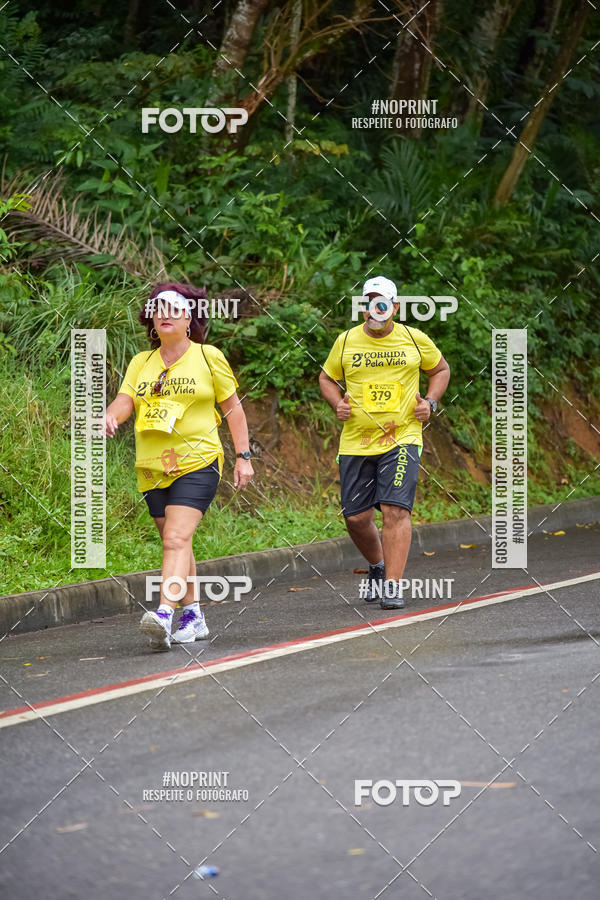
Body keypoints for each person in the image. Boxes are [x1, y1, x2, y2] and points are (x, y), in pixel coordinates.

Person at [103, 282, 254, 651]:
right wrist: (110, 416)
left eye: (174, 309)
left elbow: (232, 408)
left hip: (198, 461)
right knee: (177, 543)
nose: (165, 315)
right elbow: (126, 400)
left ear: (189, 319)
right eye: (159, 310)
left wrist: (244, 457)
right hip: (152, 467)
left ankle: (164, 613)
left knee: (175, 538)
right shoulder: (142, 362)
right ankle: (194, 616)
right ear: (152, 321)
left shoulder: (208, 356)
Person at [319, 275, 450, 610]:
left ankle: (392, 585)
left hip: (402, 437)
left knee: (394, 510)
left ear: (394, 307)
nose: (375, 309)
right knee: (356, 518)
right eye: (369, 302)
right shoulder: (346, 341)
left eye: (383, 303)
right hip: (356, 442)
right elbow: (326, 378)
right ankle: (377, 565)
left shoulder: (414, 338)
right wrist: (338, 404)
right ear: (363, 308)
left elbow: (440, 370)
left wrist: (430, 404)